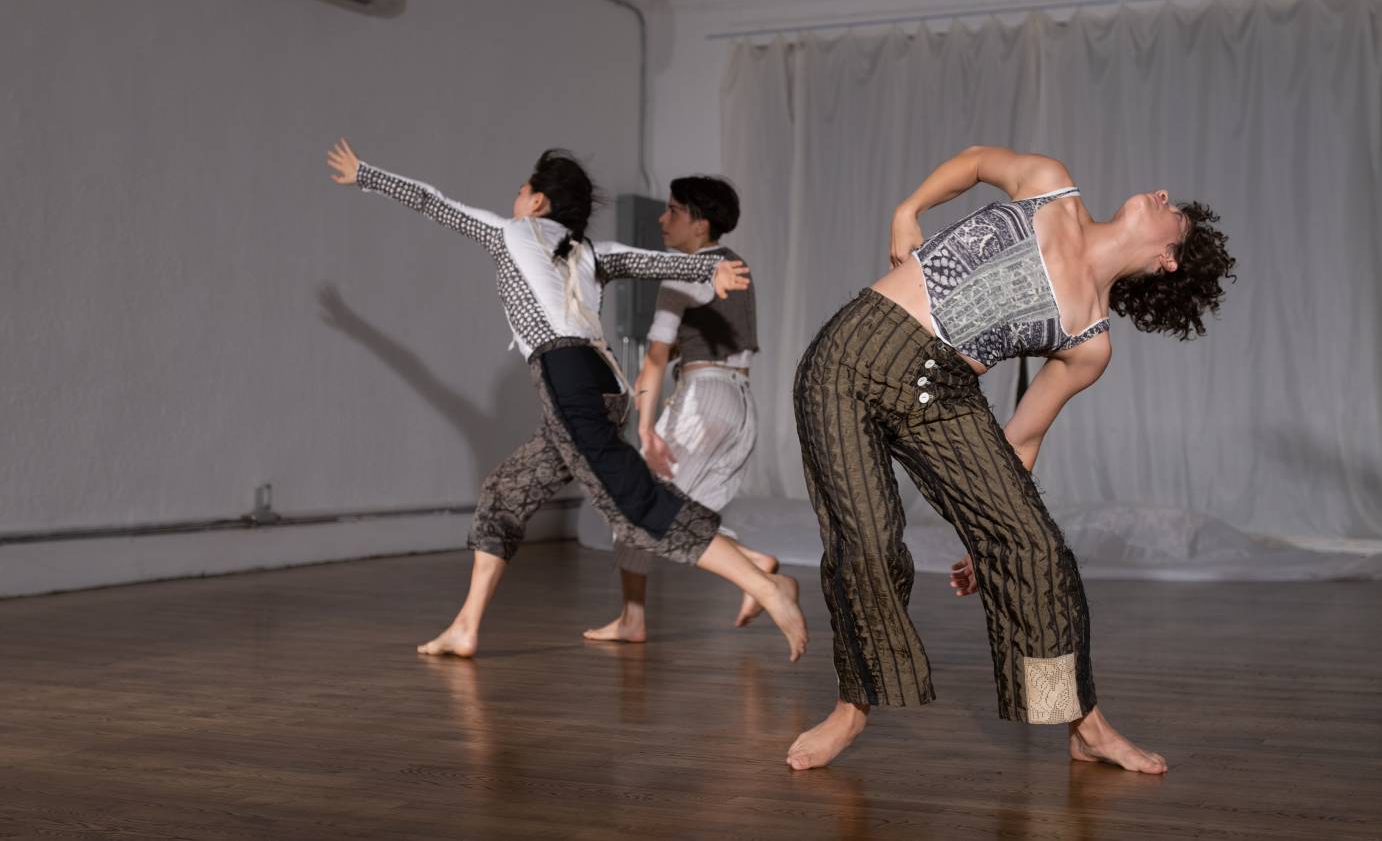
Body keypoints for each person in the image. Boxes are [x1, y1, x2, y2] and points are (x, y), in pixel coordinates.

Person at [785, 145, 1234, 773]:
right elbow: (973, 163)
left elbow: (1021, 438)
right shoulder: (1052, 186)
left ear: (1167, 259)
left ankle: (1084, 724)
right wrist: (907, 210)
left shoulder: (1089, 340)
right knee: (870, 541)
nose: (1162, 191)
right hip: (850, 357)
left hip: (941, 392)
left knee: (1035, 549)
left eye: (1175, 211)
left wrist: (992, 525)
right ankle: (853, 706)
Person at [324, 140, 807, 663]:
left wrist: (366, 174)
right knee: (503, 496)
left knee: (635, 506)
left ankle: (764, 585)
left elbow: (434, 203)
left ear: (536, 202)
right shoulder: (591, 253)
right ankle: (465, 627)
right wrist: (704, 272)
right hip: (600, 383)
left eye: (521, 191)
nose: (516, 198)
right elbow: (644, 261)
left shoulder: (508, 232)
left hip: (567, 377)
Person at [582, 176, 782, 644]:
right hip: (741, 405)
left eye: (673, 211)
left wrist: (645, 429)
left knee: (636, 504)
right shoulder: (737, 265)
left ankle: (746, 573)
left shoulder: (684, 271)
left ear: (700, 223)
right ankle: (753, 565)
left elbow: (655, 358)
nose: (662, 218)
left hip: (702, 400)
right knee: (682, 515)